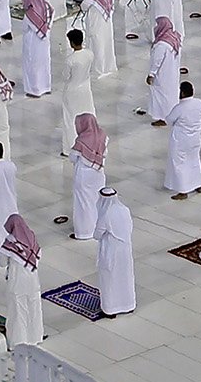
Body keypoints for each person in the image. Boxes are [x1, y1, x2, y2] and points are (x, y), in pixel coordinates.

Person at [2, 215, 46, 346]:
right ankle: (36, 337)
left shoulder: (10, 243)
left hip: (17, 283)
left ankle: (18, 341)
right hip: (33, 281)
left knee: (18, 312)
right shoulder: (31, 238)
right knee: (34, 309)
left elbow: (1, 262)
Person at [94, 188, 137, 316]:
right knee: (125, 276)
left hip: (111, 251)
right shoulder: (124, 209)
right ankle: (128, 304)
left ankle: (111, 309)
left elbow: (97, 234)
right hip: (125, 249)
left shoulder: (106, 214)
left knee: (110, 278)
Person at [69, 113, 108, 239]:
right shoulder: (102, 135)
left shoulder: (82, 140)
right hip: (98, 173)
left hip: (84, 176)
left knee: (83, 203)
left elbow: (73, 157)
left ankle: (84, 232)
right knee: (96, 200)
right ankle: (98, 228)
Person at [165, 81, 201, 199]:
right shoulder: (199, 103)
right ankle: (198, 184)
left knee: (179, 164)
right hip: (195, 139)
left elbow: (168, 120)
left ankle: (183, 191)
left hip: (180, 141)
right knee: (194, 160)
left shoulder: (180, 107)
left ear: (182, 93)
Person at [60, 28, 95, 153]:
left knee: (70, 119)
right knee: (88, 114)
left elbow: (65, 76)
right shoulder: (89, 54)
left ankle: (70, 148)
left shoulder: (70, 60)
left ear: (72, 43)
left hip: (72, 91)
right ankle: (90, 142)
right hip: (85, 89)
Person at [144, 16, 182, 125]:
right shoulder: (174, 38)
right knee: (170, 94)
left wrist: (151, 74)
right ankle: (171, 115)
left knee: (161, 96)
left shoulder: (162, 45)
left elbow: (157, 61)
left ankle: (162, 118)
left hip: (162, 75)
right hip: (172, 73)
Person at [18, 0, 54, 97]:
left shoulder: (29, 14)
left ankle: (34, 89)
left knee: (32, 64)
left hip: (32, 43)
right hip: (45, 41)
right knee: (44, 63)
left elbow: (24, 28)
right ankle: (46, 86)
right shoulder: (48, 8)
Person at [85, 0, 118, 77]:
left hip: (96, 26)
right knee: (106, 44)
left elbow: (84, 6)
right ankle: (108, 67)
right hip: (107, 24)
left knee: (97, 45)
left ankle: (98, 69)